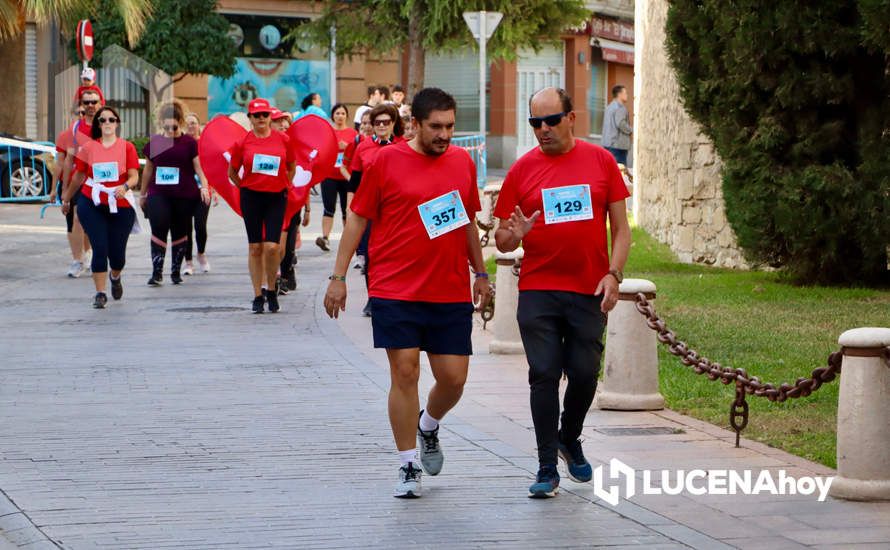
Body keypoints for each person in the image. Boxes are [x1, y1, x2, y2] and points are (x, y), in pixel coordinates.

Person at [324, 87, 491, 499]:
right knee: (405, 372)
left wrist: (481, 272)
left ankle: (428, 425)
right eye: (436, 127)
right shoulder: (385, 162)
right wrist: (339, 277)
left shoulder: (461, 163)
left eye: (450, 126)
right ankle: (407, 465)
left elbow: (468, 222)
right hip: (394, 286)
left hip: (448, 287)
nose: (445, 135)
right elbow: (358, 220)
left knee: (453, 380)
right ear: (414, 124)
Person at [494, 87, 631, 498]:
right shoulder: (521, 171)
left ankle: (569, 437)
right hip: (539, 288)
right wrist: (511, 236)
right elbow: (501, 237)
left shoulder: (602, 161)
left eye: (551, 120)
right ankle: (545, 466)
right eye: (535, 122)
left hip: (588, 287)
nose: (543, 130)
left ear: (572, 118)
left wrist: (614, 274)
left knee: (585, 373)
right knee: (544, 375)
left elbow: (621, 229)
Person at [62, 105, 140, 308]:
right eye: (103, 120)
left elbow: (134, 176)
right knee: (99, 247)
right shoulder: (88, 148)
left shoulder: (127, 147)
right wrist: (67, 198)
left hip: (120, 204)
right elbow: (79, 175)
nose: (107, 123)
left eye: (111, 120)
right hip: (92, 201)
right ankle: (100, 293)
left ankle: (115, 277)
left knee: (117, 255)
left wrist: (125, 187)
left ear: (117, 123)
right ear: (97, 124)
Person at [227, 98, 296, 314]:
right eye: (256, 116)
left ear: (270, 117)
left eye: (265, 115)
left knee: (273, 247)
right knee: (255, 247)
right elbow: (232, 172)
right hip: (252, 197)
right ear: (250, 118)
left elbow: (291, 166)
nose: (261, 119)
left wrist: (285, 183)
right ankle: (258, 295)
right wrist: (245, 187)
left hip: (276, 197)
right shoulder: (242, 143)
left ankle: (272, 289)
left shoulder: (283, 140)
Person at [139, 101, 210, 286]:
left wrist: (204, 186)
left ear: (181, 122)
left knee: (180, 230)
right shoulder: (156, 142)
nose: (170, 130)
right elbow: (147, 170)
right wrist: (143, 194)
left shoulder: (189, 143)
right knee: (159, 226)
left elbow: (199, 168)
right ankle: (157, 272)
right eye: (166, 126)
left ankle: (175, 271)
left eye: (174, 127)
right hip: (159, 193)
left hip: (184, 194)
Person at [348, 103, 404, 317]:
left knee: (397, 253)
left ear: (393, 124)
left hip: (397, 209)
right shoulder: (363, 147)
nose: (381, 126)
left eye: (386, 122)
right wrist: (350, 210)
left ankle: (397, 294)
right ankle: (373, 297)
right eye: (377, 122)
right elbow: (353, 183)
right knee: (371, 255)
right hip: (370, 209)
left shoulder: (403, 146)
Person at [51, 106, 92, 278]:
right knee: (73, 221)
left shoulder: (95, 132)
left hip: (90, 182)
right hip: (71, 184)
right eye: (79, 113)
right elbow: (61, 163)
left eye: (85, 113)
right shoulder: (66, 135)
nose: (82, 116)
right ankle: (78, 259)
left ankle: (87, 254)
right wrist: (56, 189)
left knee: (84, 220)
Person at [316, 103, 357, 251]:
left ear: (347, 116)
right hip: (329, 175)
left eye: (343, 113)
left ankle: (348, 238)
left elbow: (357, 154)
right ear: (333, 116)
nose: (340, 116)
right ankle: (325, 238)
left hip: (347, 176)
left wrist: (347, 147)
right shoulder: (328, 132)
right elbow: (320, 151)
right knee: (328, 208)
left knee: (347, 210)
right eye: (337, 113)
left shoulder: (353, 134)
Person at [182, 112, 212, 274]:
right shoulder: (181, 143)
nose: (190, 126)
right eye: (187, 123)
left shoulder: (205, 144)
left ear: (199, 125)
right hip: (185, 191)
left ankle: (201, 253)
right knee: (186, 227)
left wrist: (213, 189)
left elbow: (212, 168)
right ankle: (188, 262)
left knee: (200, 225)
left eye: (193, 123)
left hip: (204, 189)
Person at [601, 84, 633, 166]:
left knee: (609, 171)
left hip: (607, 144)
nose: (627, 95)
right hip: (618, 147)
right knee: (620, 173)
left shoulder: (609, 107)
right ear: (619, 94)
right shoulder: (620, 108)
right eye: (625, 93)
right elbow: (621, 124)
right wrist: (632, 130)